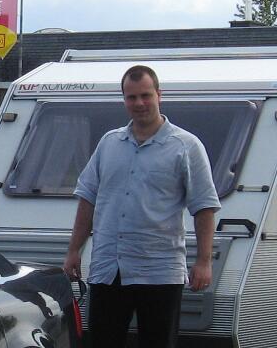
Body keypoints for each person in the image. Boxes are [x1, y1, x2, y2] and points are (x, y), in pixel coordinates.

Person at [63, 65, 220, 348]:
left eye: (145, 95)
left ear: (159, 95)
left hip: (159, 271)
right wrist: (74, 250)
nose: (139, 103)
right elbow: (88, 199)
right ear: (124, 99)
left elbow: (204, 208)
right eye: (131, 97)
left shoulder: (186, 146)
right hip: (109, 269)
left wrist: (204, 261)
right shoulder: (109, 143)